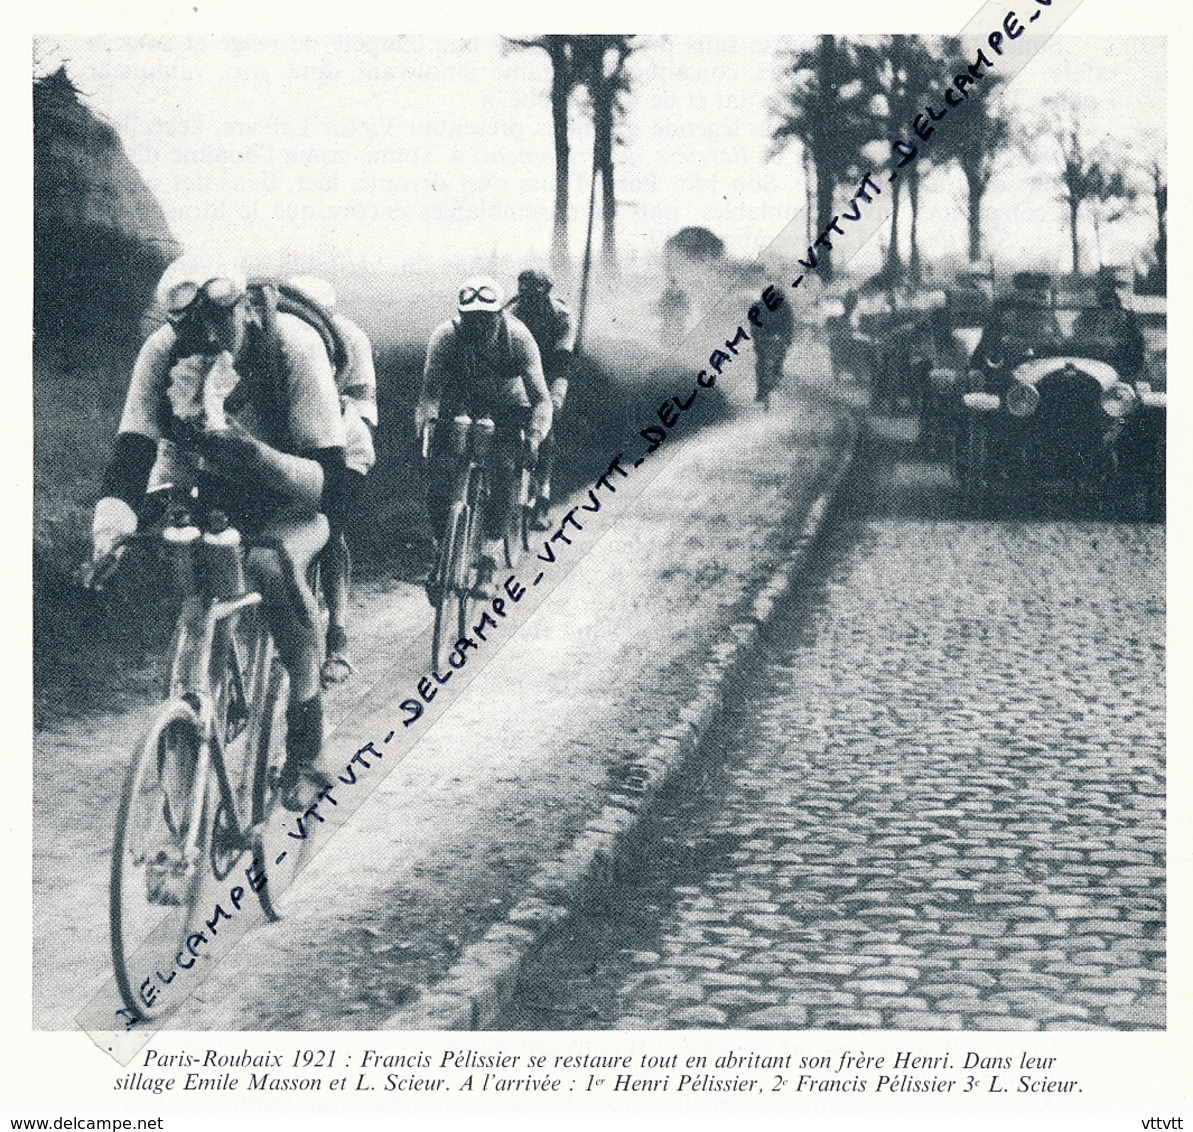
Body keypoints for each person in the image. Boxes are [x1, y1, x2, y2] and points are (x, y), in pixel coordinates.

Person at [91, 256, 345, 816]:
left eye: (219, 326)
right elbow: (132, 453)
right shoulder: (162, 351)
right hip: (215, 491)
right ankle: (204, 706)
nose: (208, 343)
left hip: (295, 492)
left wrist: (250, 452)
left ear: (250, 309)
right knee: (189, 572)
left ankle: (306, 735)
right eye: (191, 332)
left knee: (271, 567)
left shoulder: (293, 347)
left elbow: (332, 485)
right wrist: (111, 527)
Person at [416, 275, 552, 596]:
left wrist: (534, 436)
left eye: (485, 319)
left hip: (508, 405)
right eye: (470, 319)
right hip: (461, 401)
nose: (478, 327)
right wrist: (425, 431)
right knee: (441, 474)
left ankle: (488, 560)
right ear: (461, 317)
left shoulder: (518, 338)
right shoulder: (445, 337)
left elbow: (541, 399)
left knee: (504, 469)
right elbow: (429, 395)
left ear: (499, 315)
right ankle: (442, 552)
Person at [286, 275, 379, 687]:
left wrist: (339, 411)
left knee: (330, 531)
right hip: (286, 440)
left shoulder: (351, 339)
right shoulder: (276, 338)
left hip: (343, 439)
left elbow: (366, 406)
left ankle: (338, 632)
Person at [507, 269, 575, 530]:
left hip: (548, 368)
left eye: (534, 296)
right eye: (524, 296)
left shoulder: (561, 317)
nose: (529, 303)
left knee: (546, 428)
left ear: (546, 294)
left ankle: (542, 497)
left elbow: (563, 362)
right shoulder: (511, 313)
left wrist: (556, 396)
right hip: (517, 369)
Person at [1072, 267, 1146, 378]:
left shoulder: (1129, 318)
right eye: (1107, 286)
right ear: (1099, 289)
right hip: (1089, 371)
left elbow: (1137, 354)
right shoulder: (1088, 315)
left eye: (1119, 287)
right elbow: (1077, 345)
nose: (1114, 291)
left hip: (1116, 375)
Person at [752, 283, 794, 409]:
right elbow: (754, 323)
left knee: (779, 358)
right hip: (763, 339)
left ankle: (777, 374)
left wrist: (787, 339)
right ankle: (760, 391)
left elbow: (789, 325)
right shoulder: (759, 306)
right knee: (760, 363)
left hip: (778, 340)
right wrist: (757, 337)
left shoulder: (785, 307)